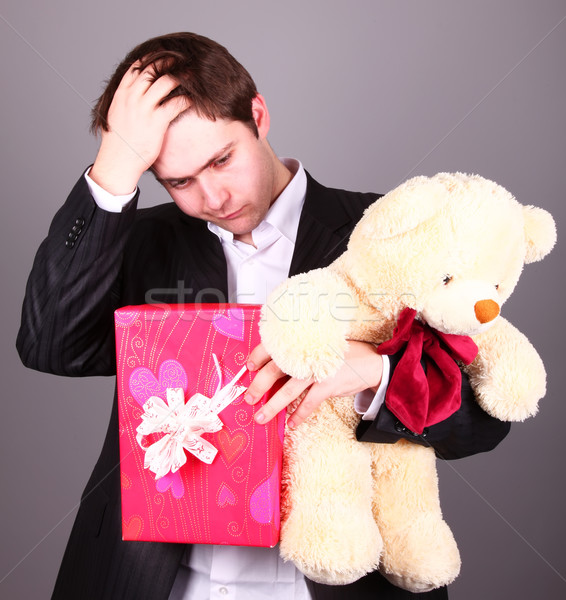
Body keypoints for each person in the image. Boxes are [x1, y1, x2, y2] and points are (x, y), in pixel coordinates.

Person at [16, 32, 510, 600]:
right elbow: (50, 345)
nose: (213, 195)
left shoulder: (387, 232)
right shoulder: (137, 242)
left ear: (258, 114)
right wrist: (113, 171)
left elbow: (486, 421)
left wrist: (378, 377)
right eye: (179, 181)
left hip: (336, 579)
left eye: (222, 159)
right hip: (153, 580)